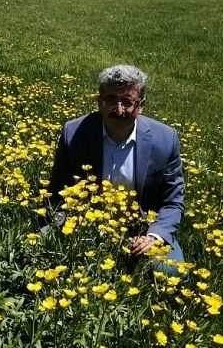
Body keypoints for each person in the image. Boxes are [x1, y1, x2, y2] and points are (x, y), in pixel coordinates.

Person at [47, 65, 184, 275]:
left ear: (141, 106)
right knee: (43, 253)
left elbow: (172, 202)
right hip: (84, 221)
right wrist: (64, 227)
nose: (118, 110)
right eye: (111, 100)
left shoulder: (165, 140)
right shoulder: (74, 133)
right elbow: (58, 190)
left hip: (142, 227)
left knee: (170, 272)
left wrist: (153, 237)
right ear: (99, 102)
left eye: (127, 102)